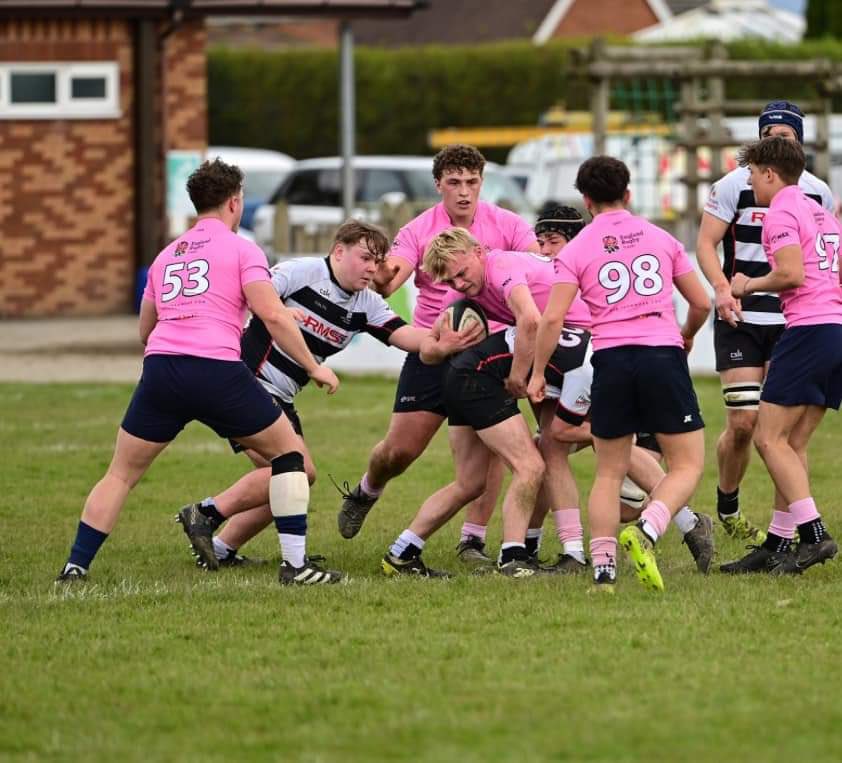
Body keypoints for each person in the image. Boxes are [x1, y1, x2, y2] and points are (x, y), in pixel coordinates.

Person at [55, 158, 342, 586]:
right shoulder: (242, 248)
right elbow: (274, 315)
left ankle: (75, 567)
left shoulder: (166, 254)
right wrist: (313, 366)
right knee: (291, 458)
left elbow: (144, 329)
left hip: (161, 369)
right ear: (234, 201)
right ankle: (296, 567)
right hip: (217, 371)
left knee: (120, 474)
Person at [173, 220, 481, 571]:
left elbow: (403, 334)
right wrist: (275, 309)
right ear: (338, 251)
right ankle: (205, 514)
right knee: (296, 473)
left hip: (279, 397)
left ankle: (222, 547)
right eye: (364, 258)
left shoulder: (366, 303)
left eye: (377, 262)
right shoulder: (301, 272)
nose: (371, 269)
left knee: (289, 481)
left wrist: (440, 339)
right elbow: (251, 295)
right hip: (246, 382)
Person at [336, 144, 539, 568]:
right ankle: (368, 489)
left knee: (493, 449)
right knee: (399, 452)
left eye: (472, 182)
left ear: (482, 182)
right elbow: (391, 282)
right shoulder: (418, 230)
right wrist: (372, 269)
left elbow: (537, 272)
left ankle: (473, 541)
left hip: (488, 352)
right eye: (454, 183)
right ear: (438, 185)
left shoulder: (509, 225)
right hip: (434, 349)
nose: (464, 192)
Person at [528, 156, 711, 592]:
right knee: (687, 463)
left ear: (586, 201)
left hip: (609, 359)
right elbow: (702, 302)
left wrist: (537, 372)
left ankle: (604, 569)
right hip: (661, 356)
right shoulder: (661, 238)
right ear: (628, 194)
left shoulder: (575, 250)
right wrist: (686, 335)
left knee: (608, 472)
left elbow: (552, 320)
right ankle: (647, 529)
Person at [696, 101, 834, 541]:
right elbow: (705, 244)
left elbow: (801, 270)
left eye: (784, 135)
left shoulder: (816, 192)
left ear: (798, 143)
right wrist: (723, 288)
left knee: (784, 437)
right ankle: (729, 502)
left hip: (795, 321)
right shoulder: (736, 184)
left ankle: (787, 534)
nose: (775, 141)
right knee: (743, 422)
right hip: (742, 318)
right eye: (768, 134)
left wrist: (752, 284)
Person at [720, 137, 841, 575]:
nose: (750, 181)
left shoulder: (782, 212)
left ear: (770, 173)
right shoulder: (822, 212)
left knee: (768, 439)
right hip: (833, 329)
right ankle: (777, 542)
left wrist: (745, 285)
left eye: (752, 173)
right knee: (793, 444)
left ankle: (814, 536)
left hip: (808, 331)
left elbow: (792, 273)